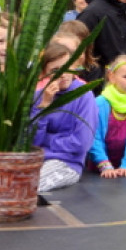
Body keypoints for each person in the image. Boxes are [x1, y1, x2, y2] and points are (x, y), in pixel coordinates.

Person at [31, 42, 97, 193]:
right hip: (34, 160)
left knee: (30, 186)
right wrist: (44, 107)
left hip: (67, 163)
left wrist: (47, 141)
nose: (63, 74)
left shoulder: (84, 95)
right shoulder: (38, 96)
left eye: (68, 66)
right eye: (55, 70)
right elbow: (32, 141)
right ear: (43, 73)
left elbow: (82, 143)